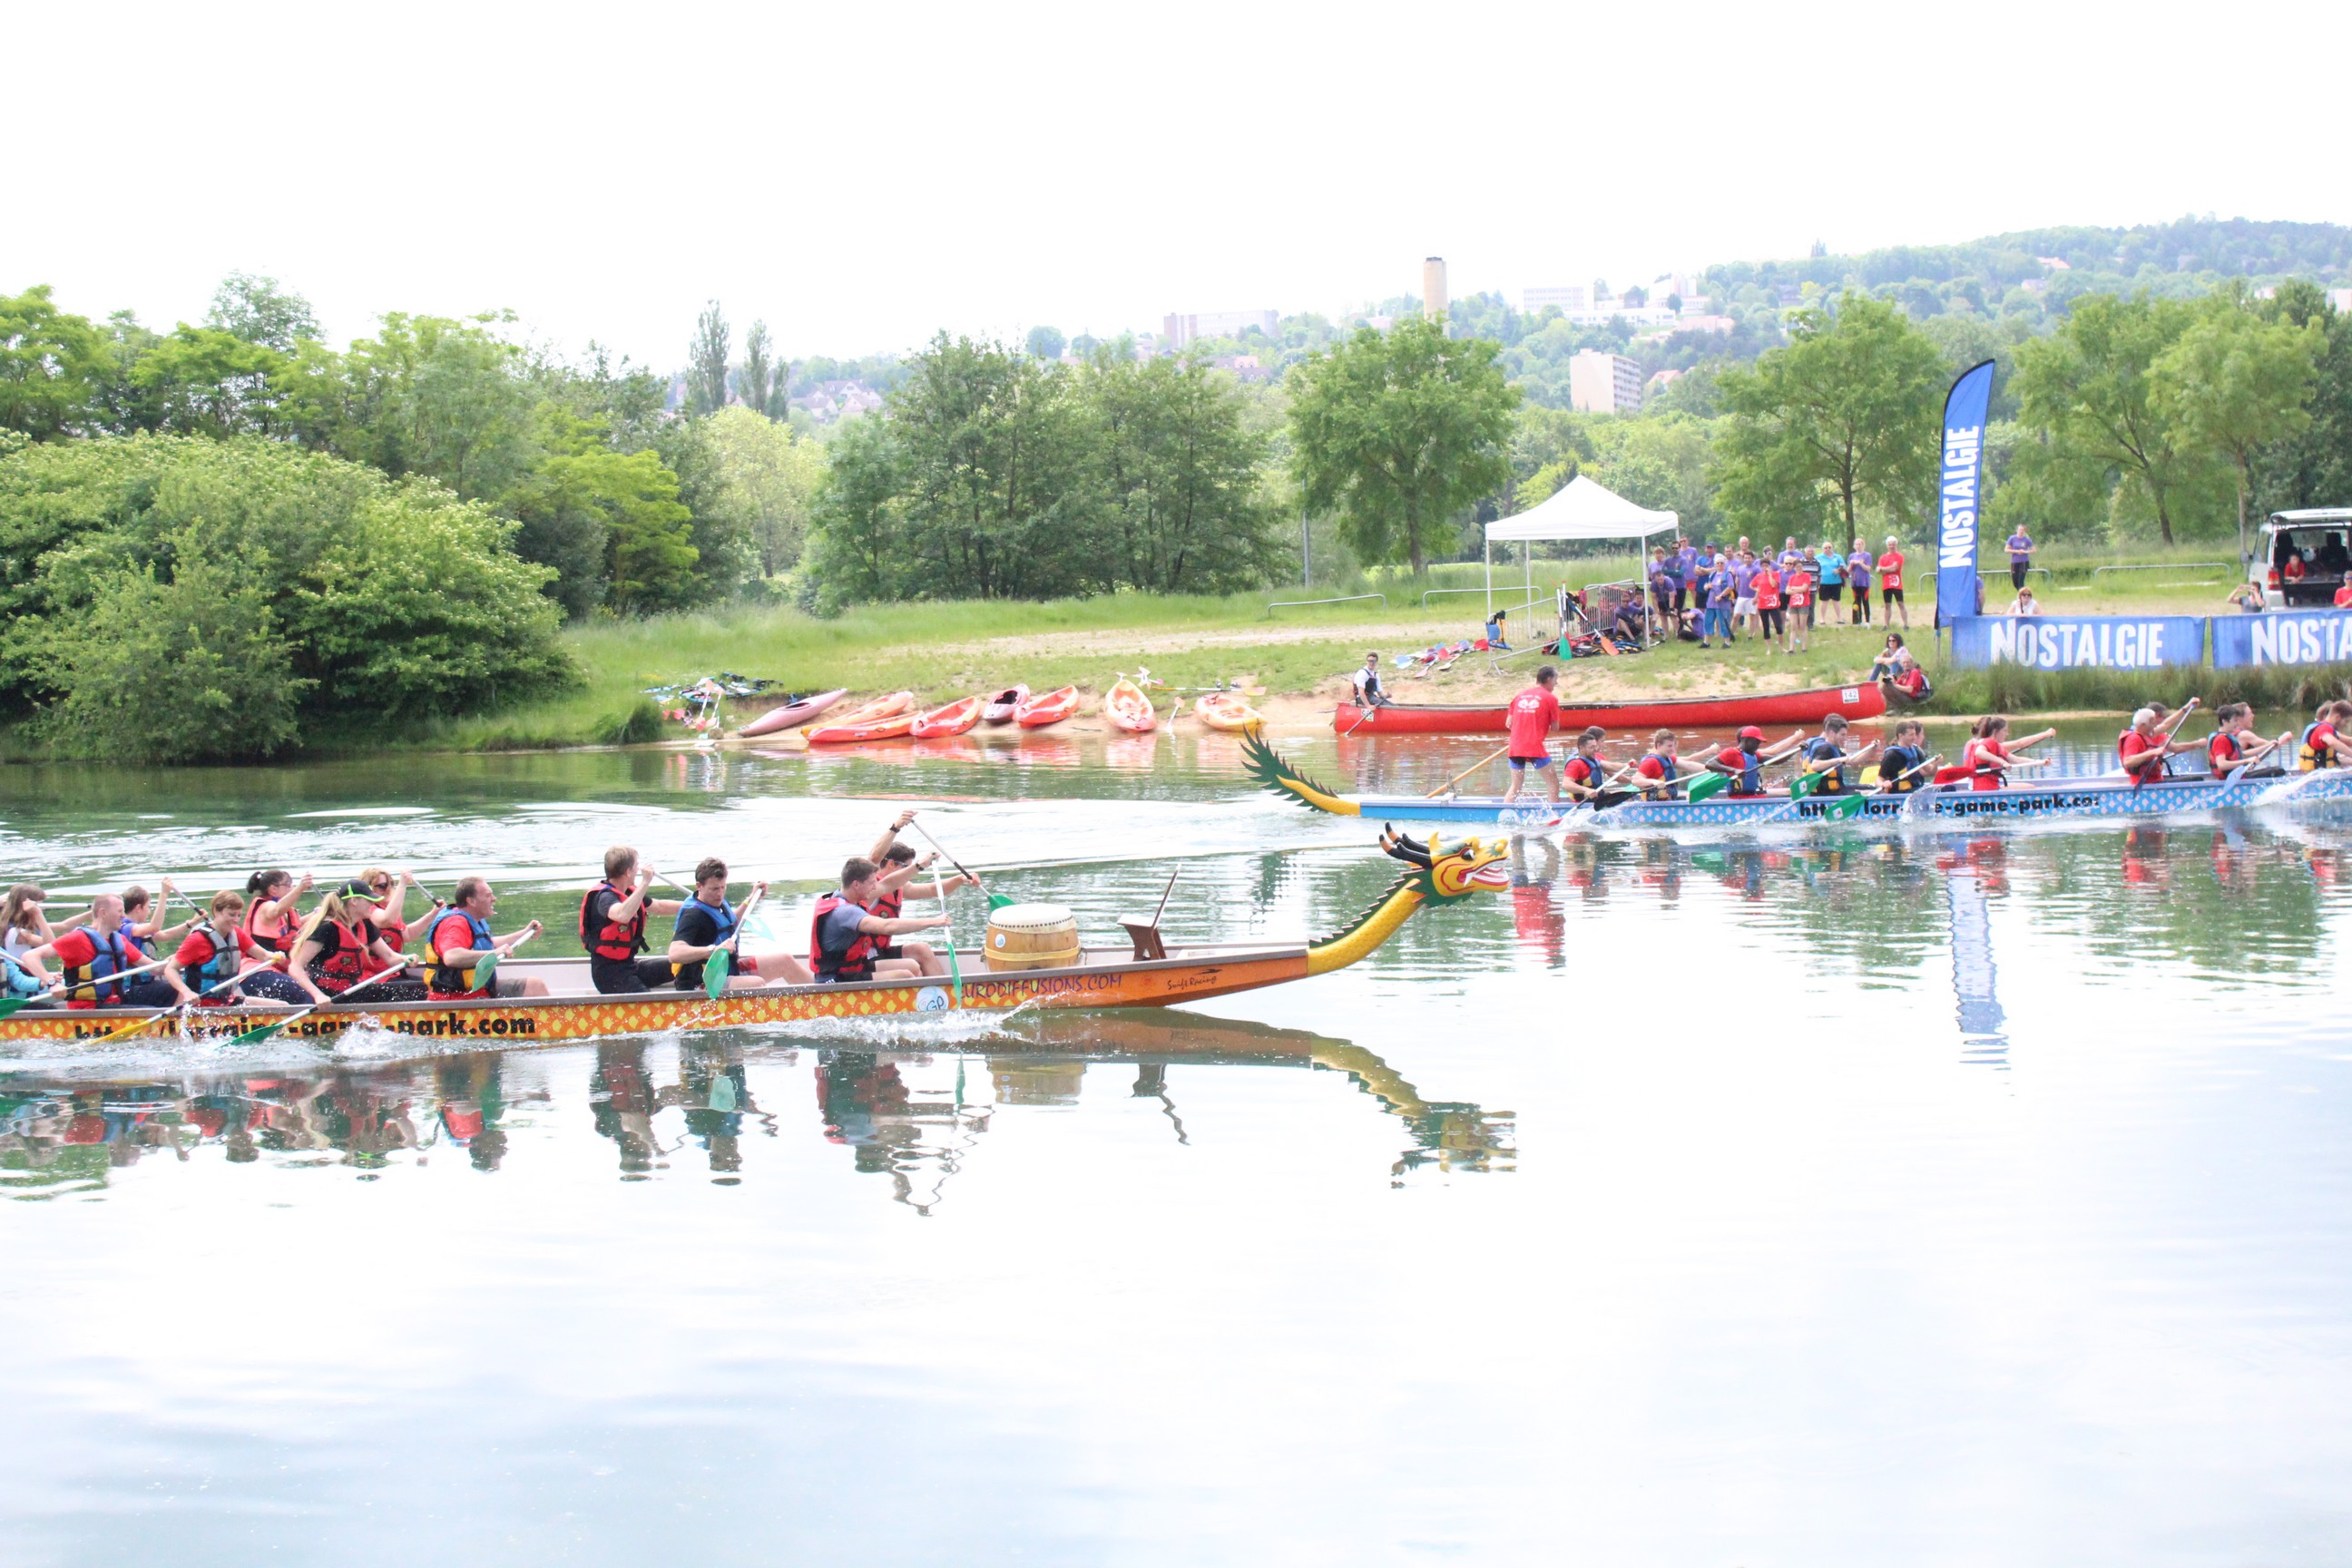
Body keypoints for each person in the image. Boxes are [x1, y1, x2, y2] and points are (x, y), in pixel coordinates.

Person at [171, 891, 326, 1008]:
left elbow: (262, 954)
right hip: (201, 1004)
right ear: (216, 912)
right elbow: (171, 969)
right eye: (231, 915)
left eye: (238, 915)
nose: (236, 920)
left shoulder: (236, 933)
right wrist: (187, 992)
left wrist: (274, 955)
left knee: (282, 1007)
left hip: (227, 1001)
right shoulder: (197, 939)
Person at [810, 858, 951, 984]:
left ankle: (940, 998)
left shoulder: (848, 898)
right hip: (836, 978)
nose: (875, 887)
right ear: (856, 885)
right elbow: (887, 926)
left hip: (854, 967)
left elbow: (889, 884)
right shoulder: (845, 912)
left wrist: (920, 865)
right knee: (905, 976)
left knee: (912, 966)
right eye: (872, 883)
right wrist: (933, 921)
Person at [15, 894, 165, 1010]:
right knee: (150, 1011)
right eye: (120, 911)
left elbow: (155, 968)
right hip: (88, 1008)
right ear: (103, 913)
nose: (124, 916)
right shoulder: (77, 938)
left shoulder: (119, 940)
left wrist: (178, 961)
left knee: (169, 991)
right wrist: (52, 983)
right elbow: (30, 956)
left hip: (115, 1001)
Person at [293, 883, 428, 1004]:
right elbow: (295, 967)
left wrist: (405, 958)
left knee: (422, 986)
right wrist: (318, 995)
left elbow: (391, 958)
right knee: (418, 990)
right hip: (328, 995)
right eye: (369, 900)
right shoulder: (326, 929)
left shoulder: (365, 924)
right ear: (354, 901)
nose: (372, 904)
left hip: (352, 988)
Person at [580, 847, 684, 994]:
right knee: (648, 1003)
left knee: (680, 965)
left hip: (629, 966)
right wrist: (645, 882)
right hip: (610, 976)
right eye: (636, 866)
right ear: (628, 871)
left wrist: (696, 905)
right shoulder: (604, 897)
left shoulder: (630, 893)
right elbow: (622, 915)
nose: (638, 870)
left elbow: (659, 906)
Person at [867, 843, 981, 978]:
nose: (909, 873)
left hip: (880, 951)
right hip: (863, 957)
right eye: (906, 868)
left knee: (922, 949)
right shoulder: (870, 890)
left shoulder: (900, 887)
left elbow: (932, 890)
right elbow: (873, 858)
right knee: (913, 969)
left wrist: (961, 879)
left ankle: (944, 995)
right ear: (891, 864)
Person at [426, 877, 549, 999]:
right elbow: (451, 957)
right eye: (488, 895)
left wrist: (525, 933)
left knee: (534, 986)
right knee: (535, 986)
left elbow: (489, 944)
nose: (494, 899)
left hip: (480, 991)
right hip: (457, 999)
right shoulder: (455, 923)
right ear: (472, 901)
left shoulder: (474, 920)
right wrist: (494, 953)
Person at [1501, 665, 1563, 805]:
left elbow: (1508, 723)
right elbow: (1555, 728)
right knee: (1553, 782)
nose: (1556, 683)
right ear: (1548, 679)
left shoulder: (1519, 696)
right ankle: (1555, 815)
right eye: (1555, 679)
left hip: (1515, 746)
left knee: (1516, 786)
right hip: (1534, 747)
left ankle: (1503, 811)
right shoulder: (1551, 699)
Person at [2118, 703, 2200, 785]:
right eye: (2152, 724)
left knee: (2194, 778)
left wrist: (2187, 707)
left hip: (2155, 781)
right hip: (2146, 785)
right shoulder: (2134, 739)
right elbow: (2127, 762)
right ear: (2143, 725)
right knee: (2197, 780)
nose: (2155, 726)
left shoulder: (2147, 734)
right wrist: (2153, 752)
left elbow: (2166, 725)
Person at [240, 869, 310, 962]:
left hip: (279, 964)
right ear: (274, 889)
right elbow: (276, 910)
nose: (292, 888)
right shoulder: (266, 907)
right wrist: (301, 887)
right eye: (288, 884)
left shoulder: (283, 910)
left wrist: (320, 912)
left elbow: (298, 923)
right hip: (259, 966)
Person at [1797, 713, 1876, 795]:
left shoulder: (1833, 748)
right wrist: (1839, 760)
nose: (1845, 738)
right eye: (1842, 735)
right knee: (1871, 792)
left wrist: (1872, 750)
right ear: (1832, 733)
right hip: (1828, 794)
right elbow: (1815, 766)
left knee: (1871, 788)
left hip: (1838, 789)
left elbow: (1854, 762)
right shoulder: (1824, 748)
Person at [2204, 702, 2287, 778]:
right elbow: (2221, 765)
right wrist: (2246, 761)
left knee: (2277, 770)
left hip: (2238, 776)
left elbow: (2242, 754)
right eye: (2235, 721)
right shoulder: (2221, 739)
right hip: (2234, 779)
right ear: (2225, 721)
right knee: (2278, 771)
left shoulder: (2226, 737)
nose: (2237, 724)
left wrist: (2268, 746)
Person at [2, 884, 53, 969]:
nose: (43, 909)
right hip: (29, 977)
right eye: (40, 906)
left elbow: (65, 926)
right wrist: (38, 914)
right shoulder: (18, 933)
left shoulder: (14, 924)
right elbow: (52, 946)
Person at [1877, 720, 1933, 792]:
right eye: (1911, 735)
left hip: (1917, 789)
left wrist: (1936, 763)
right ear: (1901, 736)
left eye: (1915, 734)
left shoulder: (1916, 750)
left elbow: (1930, 770)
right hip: (1901, 793)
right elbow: (1879, 779)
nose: (1914, 738)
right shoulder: (1891, 755)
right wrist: (1883, 784)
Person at [1872, 632, 1931, 701]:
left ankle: (1891, 676)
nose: (1891, 642)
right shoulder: (1887, 650)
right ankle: (1870, 683)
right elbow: (1875, 660)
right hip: (1901, 674)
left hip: (1911, 695)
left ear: (1898, 641)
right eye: (1889, 640)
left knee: (1894, 663)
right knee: (1879, 665)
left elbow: (1892, 661)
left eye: (1893, 640)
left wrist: (1893, 685)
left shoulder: (1902, 650)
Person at [1634, 728, 1690, 799]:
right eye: (1669, 746)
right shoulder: (1650, 762)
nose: (1673, 749)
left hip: (1667, 800)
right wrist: (1654, 782)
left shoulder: (1669, 759)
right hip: (1653, 805)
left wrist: (1708, 768)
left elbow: (1689, 765)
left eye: (1673, 746)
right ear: (1659, 745)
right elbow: (1636, 780)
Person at [1558, 726, 1612, 801]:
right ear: (1582, 748)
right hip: (1583, 804)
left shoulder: (1594, 761)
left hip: (1597, 800)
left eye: (1595, 747)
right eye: (1592, 747)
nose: (1596, 750)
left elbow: (1612, 768)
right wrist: (1586, 790)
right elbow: (1566, 784)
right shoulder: (1575, 764)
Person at [2296, 701, 2352, 770]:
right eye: (2346, 721)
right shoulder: (2325, 728)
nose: (2346, 725)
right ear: (2337, 717)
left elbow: (2349, 741)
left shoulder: (2318, 727)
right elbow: (2332, 742)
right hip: (2317, 777)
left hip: (2313, 773)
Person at [1876, 535, 1908, 629]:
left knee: (1900, 603)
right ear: (1887, 545)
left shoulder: (1899, 556)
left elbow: (1895, 568)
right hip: (1886, 585)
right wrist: (1885, 569)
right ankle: (1886, 624)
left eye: (1893, 544)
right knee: (1887, 605)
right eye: (1890, 545)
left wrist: (1883, 569)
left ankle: (1905, 624)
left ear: (1896, 545)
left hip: (1897, 584)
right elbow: (1878, 571)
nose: (1892, 546)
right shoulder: (1883, 557)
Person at [1701, 558, 1736, 646]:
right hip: (1711, 602)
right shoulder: (1713, 575)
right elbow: (1706, 586)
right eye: (1718, 563)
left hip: (1722, 603)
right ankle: (1706, 642)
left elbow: (1731, 587)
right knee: (1708, 621)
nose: (1719, 565)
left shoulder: (1727, 574)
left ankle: (1727, 642)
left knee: (1724, 622)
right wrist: (1707, 586)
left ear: (1724, 564)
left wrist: (1721, 595)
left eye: (1721, 563)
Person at [1752, 556, 1785, 652]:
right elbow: (1752, 585)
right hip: (1762, 604)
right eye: (1763, 566)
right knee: (1765, 626)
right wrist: (1757, 590)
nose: (1765, 567)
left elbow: (1774, 585)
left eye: (1766, 565)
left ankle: (1781, 647)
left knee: (1778, 625)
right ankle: (1769, 648)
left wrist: (1770, 575)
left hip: (1773, 603)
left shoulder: (1776, 574)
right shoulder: (1758, 576)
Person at [1783, 556, 1815, 651]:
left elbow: (1804, 588)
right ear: (1794, 568)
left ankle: (1804, 648)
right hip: (1793, 603)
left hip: (1804, 603)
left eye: (1800, 566)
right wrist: (1797, 590)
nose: (1799, 568)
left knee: (1802, 625)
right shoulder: (1792, 577)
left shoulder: (1806, 576)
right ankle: (1791, 649)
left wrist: (1794, 589)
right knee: (1793, 626)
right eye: (1797, 567)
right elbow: (1787, 591)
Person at [1730, 550, 1759, 640]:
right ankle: (1731, 634)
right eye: (1745, 558)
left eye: (1749, 558)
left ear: (1753, 559)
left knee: (1752, 617)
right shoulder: (1740, 568)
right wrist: (1733, 596)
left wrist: (1756, 597)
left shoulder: (1756, 569)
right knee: (1736, 616)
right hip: (1741, 596)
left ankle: (1751, 635)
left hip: (1751, 597)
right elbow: (1736, 583)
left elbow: (1759, 584)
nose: (1747, 559)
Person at [1816, 543, 1846, 618]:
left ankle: (1839, 618)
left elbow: (1843, 566)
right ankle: (1822, 618)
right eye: (1825, 548)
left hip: (1836, 582)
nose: (1828, 549)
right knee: (1824, 601)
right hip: (1823, 582)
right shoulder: (1818, 557)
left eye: (1829, 547)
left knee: (1836, 600)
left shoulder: (1838, 557)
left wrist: (1838, 570)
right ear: (1823, 549)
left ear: (1832, 548)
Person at [1847, 541, 1874, 625]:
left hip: (1864, 582)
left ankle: (1867, 621)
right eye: (1857, 544)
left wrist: (1860, 563)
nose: (1858, 546)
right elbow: (1848, 570)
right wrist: (1851, 565)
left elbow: (1868, 568)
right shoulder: (1852, 556)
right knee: (1856, 602)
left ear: (1863, 545)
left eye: (1860, 544)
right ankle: (1857, 621)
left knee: (1865, 601)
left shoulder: (1867, 555)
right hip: (1855, 582)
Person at [2005, 525, 2034, 591]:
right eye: (2020, 530)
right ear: (2017, 530)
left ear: (2024, 531)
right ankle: (2022, 593)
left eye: (2022, 530)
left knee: (2020, 580)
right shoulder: (2012, 538)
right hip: (2014, 561)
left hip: (2024, 561)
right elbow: (2006, 550)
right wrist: (2017, 551)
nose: (2021, 531)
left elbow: (2034, 550)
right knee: (2015, 580)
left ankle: (2022, 596)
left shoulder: (2027, 539)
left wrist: (2025, 552)